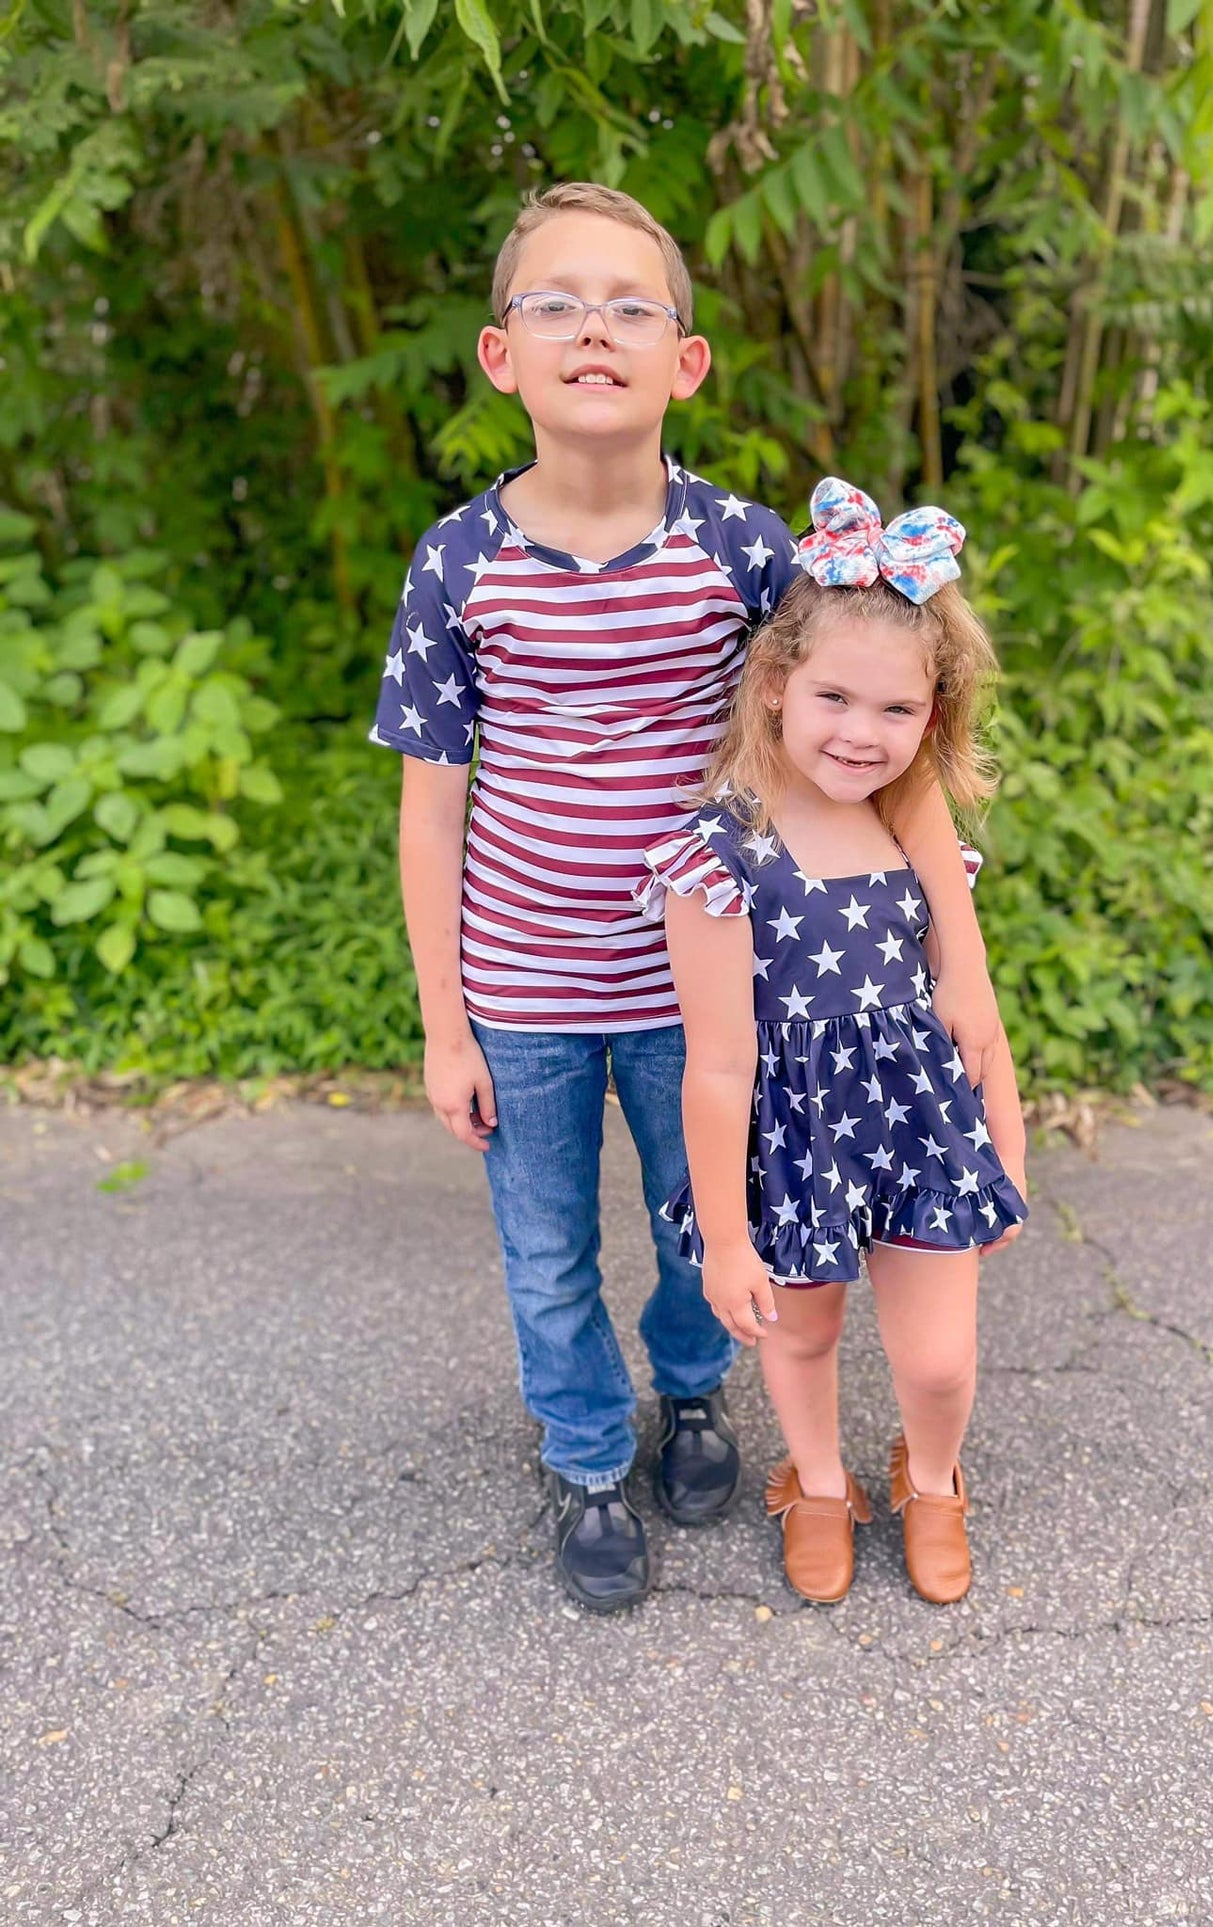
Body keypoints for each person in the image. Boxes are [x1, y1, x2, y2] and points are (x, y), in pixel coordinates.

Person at [373, 182, 1004, 1615]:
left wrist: (954, 954)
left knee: (706, 1221)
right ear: (499, 354)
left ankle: (700, 1393)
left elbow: (868, 744)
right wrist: (444, 1020)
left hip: (715, 984)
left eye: (630, 307)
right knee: (544, 1248)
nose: (593, 331)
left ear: (685, 358)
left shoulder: (741, 548)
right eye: (556, 304)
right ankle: (590, 1455)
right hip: (524, 982)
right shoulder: (458, 562)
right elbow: (431, 797)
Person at [637, 478, 1029, 1608]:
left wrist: (1002, 1149)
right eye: (833, 698)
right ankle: (814, 1482)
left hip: (914, 1128)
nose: (860, 734)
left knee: (938, 1357)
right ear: (774, 685)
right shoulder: (718, 854)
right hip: (793, 1141)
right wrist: (722, 1237)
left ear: (931, 716)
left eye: (895, 711)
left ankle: (932, 1474)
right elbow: (716, 1065)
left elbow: (974, 1016)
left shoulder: (918, 830)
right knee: (800, 1338)